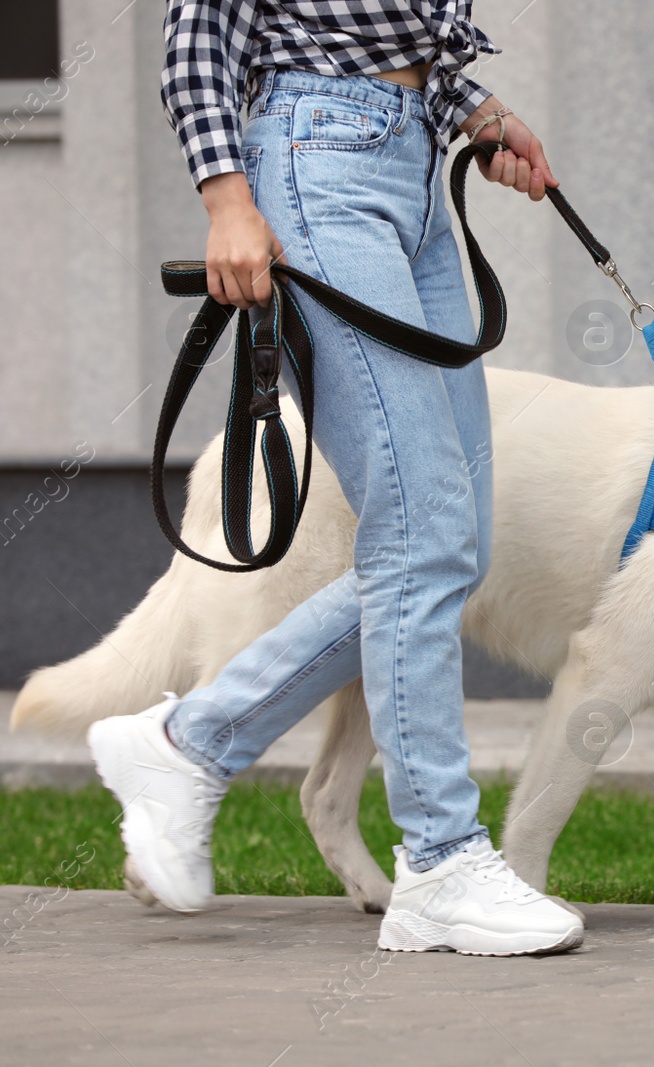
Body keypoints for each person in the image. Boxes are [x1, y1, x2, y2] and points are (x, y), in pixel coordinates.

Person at [86, 0, 582, 957]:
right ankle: (439, 856)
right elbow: (205, 19)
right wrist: (227, 197)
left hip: (410, 174)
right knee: (423, 529)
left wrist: (470, 109)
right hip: (321, 162)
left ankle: (187, 744)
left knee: (451, 542)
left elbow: (369, 31)